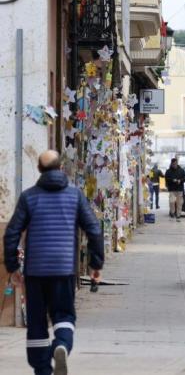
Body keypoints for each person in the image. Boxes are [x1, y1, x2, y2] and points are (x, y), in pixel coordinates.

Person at [3, 150, 104, 375]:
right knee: (64, 315)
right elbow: (94, 230)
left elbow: (11, 233)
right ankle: (61, 345)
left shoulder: (29, 197)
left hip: (35, 272)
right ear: (61, 168)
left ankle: (42, 370)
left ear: (39, 169)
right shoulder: (75, 196)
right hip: (64, 269)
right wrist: (96, 265)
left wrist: (12, 267)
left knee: (37, 323)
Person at [165, 157, 185, 221]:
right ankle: (172, 212)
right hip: (172, 189)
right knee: (171, 201)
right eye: (173, 164)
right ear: (171, 164)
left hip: (179, 189)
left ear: (177, 163)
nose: (174, 165)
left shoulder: (181, 170)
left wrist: (180, 180)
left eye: (175, 163)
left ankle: (178, 215)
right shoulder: (168, 171)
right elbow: (166, 179)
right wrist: (172, 180)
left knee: (179, 203)